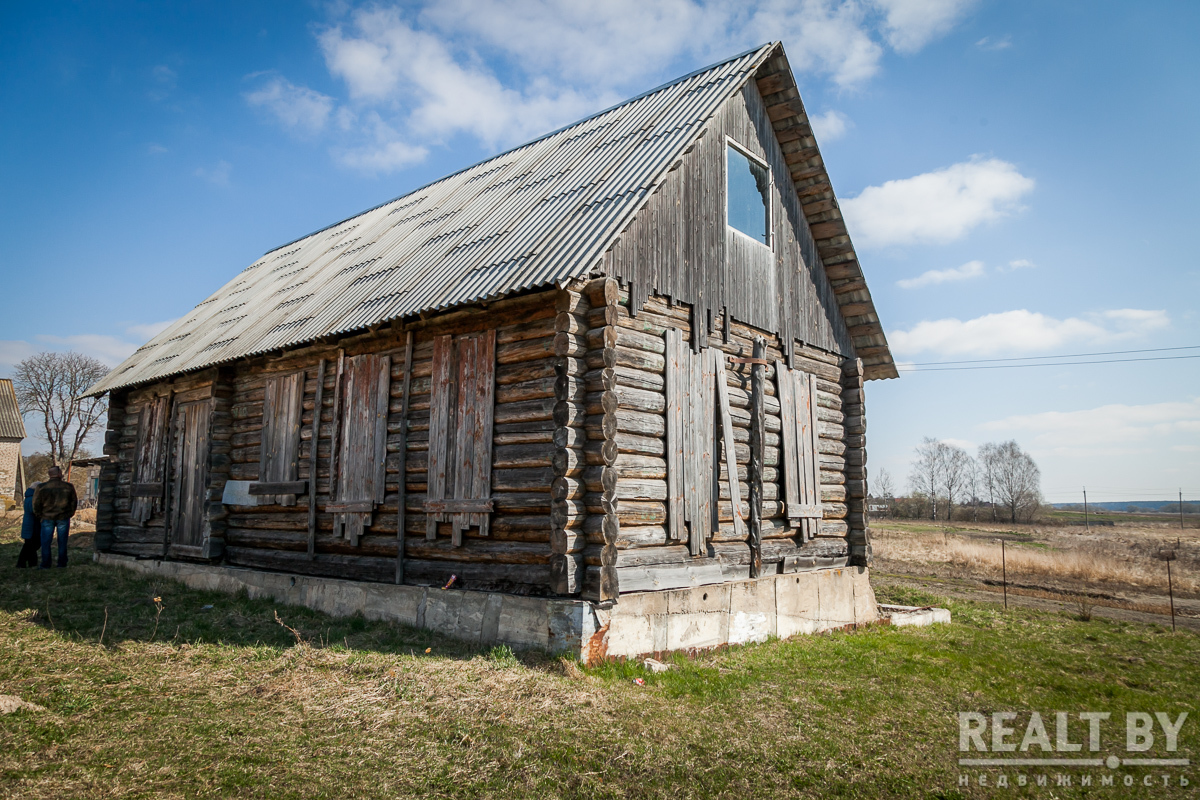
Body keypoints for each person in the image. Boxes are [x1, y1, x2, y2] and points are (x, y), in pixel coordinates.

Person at [32, 466, 77, 569]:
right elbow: (73, 502)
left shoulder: (41, 487)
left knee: (46, 542)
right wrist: (69, 513)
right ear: (59, 474)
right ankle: (61, 563)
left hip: (47, 517)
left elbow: (36, 503)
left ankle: (46, 564)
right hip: (63, 517)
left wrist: (40, 515)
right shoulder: (68, 487)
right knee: (62, 542)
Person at [16, 483, 41, 568]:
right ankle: (22, 563)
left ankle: (31, 563)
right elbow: (34, 511)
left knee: (30, 545)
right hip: (32, 525)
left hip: (30, 524)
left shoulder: (29, 497)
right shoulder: (31, 499)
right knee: (32, 545)